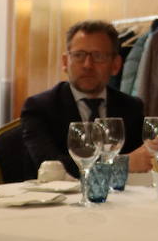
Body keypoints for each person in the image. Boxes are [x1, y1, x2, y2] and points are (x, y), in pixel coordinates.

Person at [21, 20, 149, 178]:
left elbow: (142, 161)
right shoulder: (40, 107)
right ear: (65, 62)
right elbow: (52, 166)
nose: (88, 65)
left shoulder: (131, 107)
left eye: (98, 56)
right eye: (79, 55)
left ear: (115, 65)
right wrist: (122, 163)